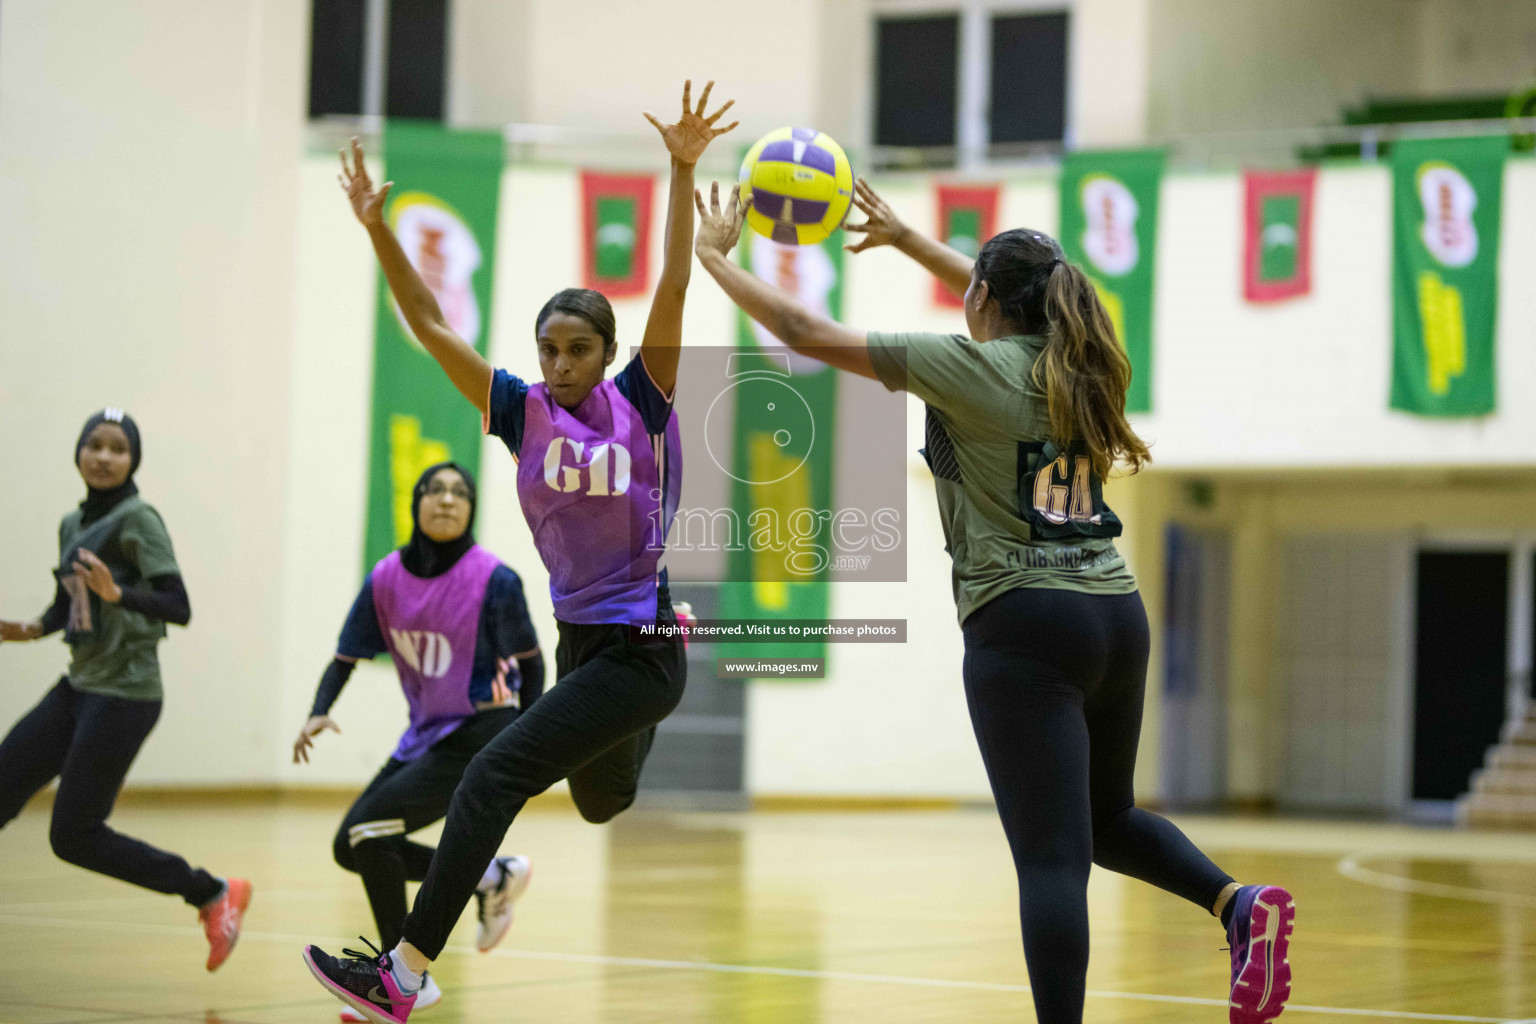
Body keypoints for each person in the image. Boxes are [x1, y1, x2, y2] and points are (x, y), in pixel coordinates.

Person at [689, 178, 1296, 1024]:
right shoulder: (1088, 363)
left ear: (981, 298)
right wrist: (909, 242)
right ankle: (1238, 905)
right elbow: (1013, 300)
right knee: (1106, 818)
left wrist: (714, 258)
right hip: (1116, 613)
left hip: (1025, 619)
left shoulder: (968, 367)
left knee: (1051, 860)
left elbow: (802, 330)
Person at [301, 79, 735, 1024]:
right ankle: (647, 711)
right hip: (583, 643)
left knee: (497, 774)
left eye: (579, 348)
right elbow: (428, 325)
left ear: (607, 350)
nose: (561, 363)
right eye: (549, 349)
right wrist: (378, 228)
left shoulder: (643, 400)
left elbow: (673, 284)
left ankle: (403, 974)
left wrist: (681, 165)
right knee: (599, 806)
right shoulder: (519, 409)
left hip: (639, 647)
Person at [0, 408, 252, 972]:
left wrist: (119, 594)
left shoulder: (140, 519)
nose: (105, 457)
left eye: (118, 448)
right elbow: (71, 605)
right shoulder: (72, 523)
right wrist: (30, 628)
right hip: (79, 684)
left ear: (133, 459)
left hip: (127, 694)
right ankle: (211, 891)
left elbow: (177, 606)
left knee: (73, 834)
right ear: (79, 453)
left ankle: (212, 891)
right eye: (96, 445)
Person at [294, 461, 544, 1020]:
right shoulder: (386, 578)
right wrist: (318, 711)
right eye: (436, 490)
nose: (448, 500)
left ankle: (405, 977)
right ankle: (490, 876)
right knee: (352, 845)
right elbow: (346, 654)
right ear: (416, 503)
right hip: (428, 734)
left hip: (487, 728)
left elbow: (533, 665)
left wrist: (533, 745)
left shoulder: (495, 580)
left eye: (461, 492)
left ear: (471, 507)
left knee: (369, 829)